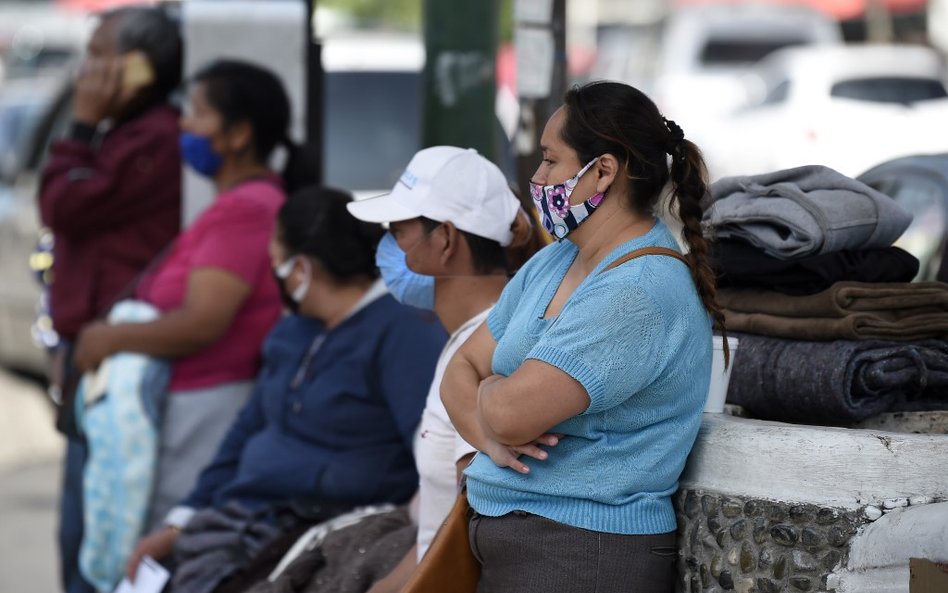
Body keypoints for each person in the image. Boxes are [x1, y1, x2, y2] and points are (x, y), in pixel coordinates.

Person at [441, 81, 729, 593]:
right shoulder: (555, 260)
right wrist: (489, 436)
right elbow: (459, 371)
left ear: (603, 170)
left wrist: (490, 396)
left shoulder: (637, 291)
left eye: (551, 161)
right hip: (520, 543)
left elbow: (510, 411)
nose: (537, 176)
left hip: (580, 553)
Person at [125, 186, 446, 593]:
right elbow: (245, 431)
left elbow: (432, 457)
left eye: (275, 258)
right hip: (244, 519)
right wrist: (180, 521)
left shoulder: (401, 333)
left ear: (302, 269)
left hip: (324, 531)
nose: (272, 268)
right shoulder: (292, 330)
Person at [73, 59, 312, 530]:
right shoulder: (238, 204)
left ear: (238, 133)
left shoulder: (245, 209)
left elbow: (203, 321)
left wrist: (110, 339)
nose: (184, 125)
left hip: (205, 409)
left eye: (197, 113)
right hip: (193, 405)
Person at [343, 146, 539, 593]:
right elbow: (435, 533)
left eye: (398, 231)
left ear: (446, 241)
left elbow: (464, 540)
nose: (388, 248)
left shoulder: (484, 357)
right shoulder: (470, 341)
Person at [36, 7, 182, 593]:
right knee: (79, 517)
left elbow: (63, 205)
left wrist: (78, 126)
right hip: (87, 346)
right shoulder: (119, 135)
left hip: (117, 353)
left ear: (140, 67)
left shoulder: (152, 140)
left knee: (92, 528)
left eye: (99, 56)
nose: (85, 73)